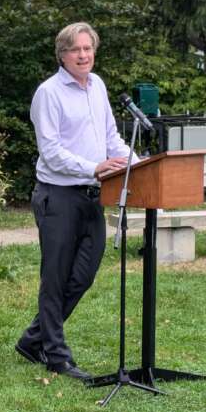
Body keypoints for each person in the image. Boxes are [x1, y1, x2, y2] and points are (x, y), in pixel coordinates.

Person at [15, 22, 130, 381]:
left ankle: (33, 339)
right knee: (56, 277)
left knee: (82, 275)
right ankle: (56, 355)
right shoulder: (48, 94)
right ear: (62, 55)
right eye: (75, 49)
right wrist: (92, 168)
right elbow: (50, 152)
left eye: (88, 48)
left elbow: (111, 138)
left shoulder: (98, 87)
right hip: (58, 196)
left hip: (93, 197)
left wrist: (137, 165)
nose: (83, 55)